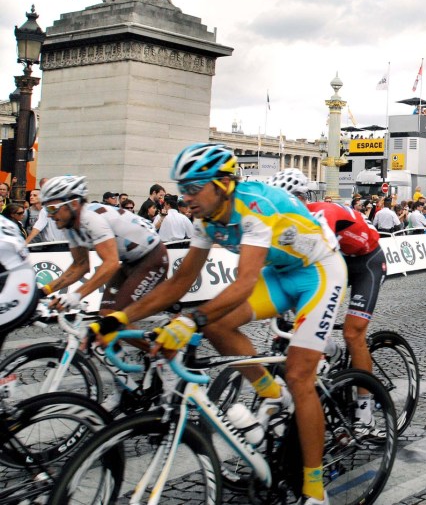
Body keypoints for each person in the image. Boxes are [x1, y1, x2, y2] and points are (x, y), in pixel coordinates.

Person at [93, 144, 344, 505]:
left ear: (224, 184)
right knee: (217, 325)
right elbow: (180, 283)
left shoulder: (253, 208)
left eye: (194, 187)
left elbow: (243, 283)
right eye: (182, 188)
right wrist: (118, 318)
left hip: (319, 273)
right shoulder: (206, 220)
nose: (186, 197)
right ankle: (274, 398)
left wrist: (190, 319)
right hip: (282, 272)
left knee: (300, 376)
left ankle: (315, 489)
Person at [269, 168, 386, 428]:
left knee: (353, 334)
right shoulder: (288, 221)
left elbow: (321, 262)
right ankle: (329, 351)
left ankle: (365, 411)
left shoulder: (322, 213)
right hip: (340, 261)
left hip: (367, 262)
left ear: (298, 200)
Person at [37, 175, 170, 321]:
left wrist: (77, 295)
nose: (49, 215)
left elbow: (110, 263)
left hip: (152, 258)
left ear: (73, 204)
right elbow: (80, 266)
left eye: (52, 209)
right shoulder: (69, 225)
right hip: (130, 261)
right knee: (105, 314)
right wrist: (42, 292)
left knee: (115, 320)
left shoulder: (91, 219)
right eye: (46, 209)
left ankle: (158, 345)